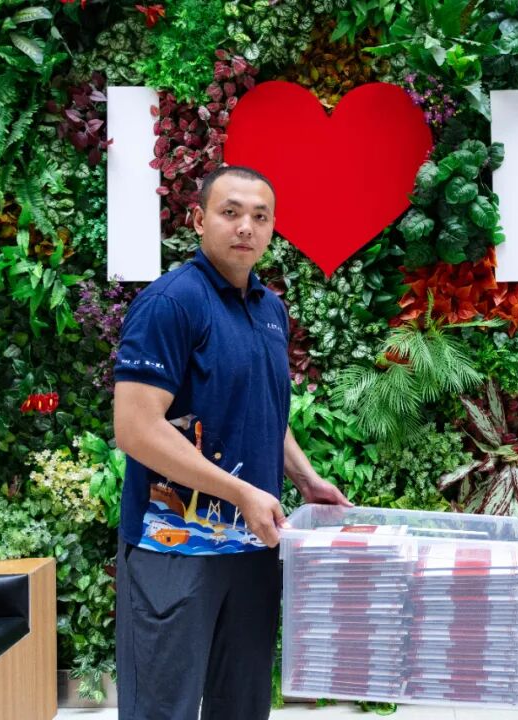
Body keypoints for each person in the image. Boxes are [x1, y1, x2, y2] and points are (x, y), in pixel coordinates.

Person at [112, 165, 350, 720]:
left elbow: (262, 408)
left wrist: (306, 479)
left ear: (271, 229)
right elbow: (136, 428)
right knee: (161, 709)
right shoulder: (171, 303)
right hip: (175, 547)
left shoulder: (269, 309)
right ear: (199, 220)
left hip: (253, 548)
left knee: (242, 707)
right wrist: (240, 491)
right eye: (230, 212)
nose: (246, 226)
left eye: (260, 217)